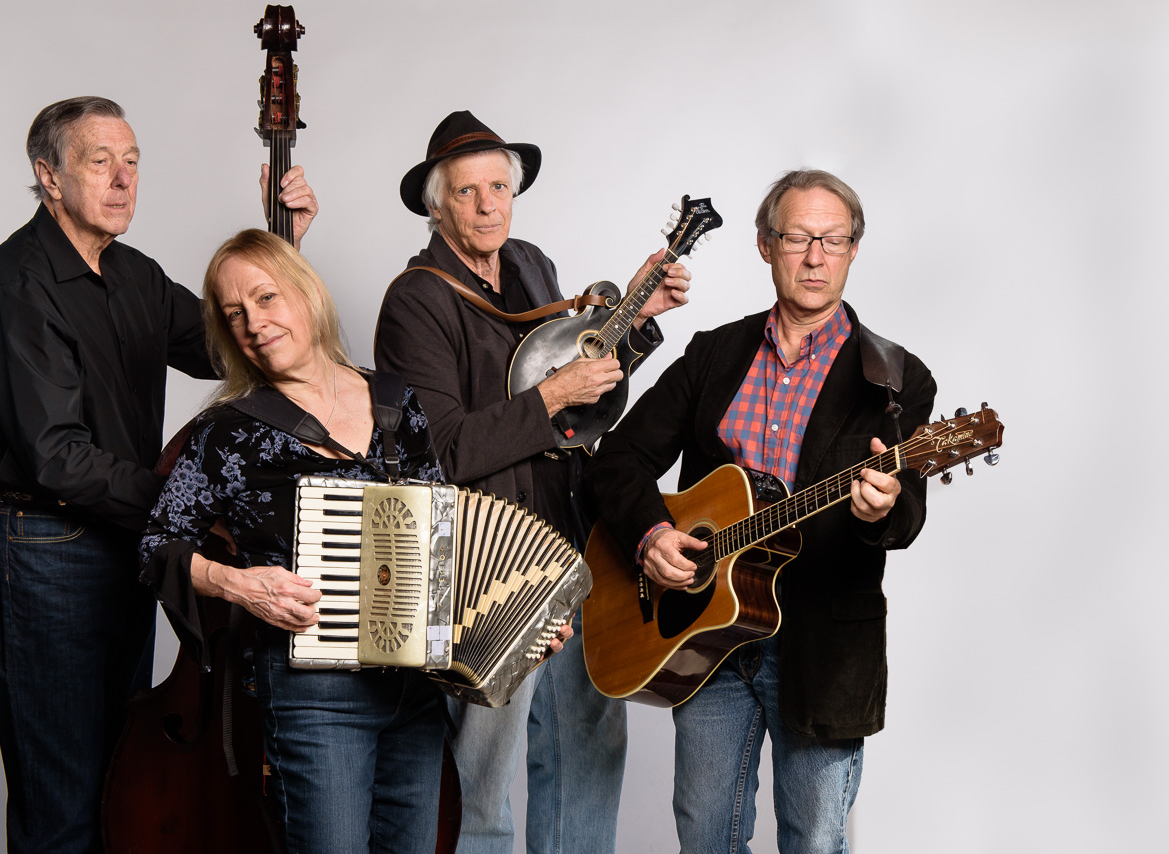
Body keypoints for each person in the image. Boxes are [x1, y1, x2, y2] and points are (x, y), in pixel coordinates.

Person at [0, 96, 317, 854]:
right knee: (63, 804)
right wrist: (191, 508)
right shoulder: (15, 283)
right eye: (100, 162)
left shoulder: (135, 275)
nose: (123, 180)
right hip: (49, 549)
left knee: (116, 786)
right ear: (49, 177)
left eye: (132, 162)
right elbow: (57, 456)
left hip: (125, 544)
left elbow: (238, 349)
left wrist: (281, 255)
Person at [585, 169, 938, 854]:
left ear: (854, 250)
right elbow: (617, 460)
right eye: (798, 238)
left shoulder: (897, 378)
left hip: (823, 645)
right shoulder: (714, 354)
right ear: (764, 245)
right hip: (705, 639)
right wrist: (652, 535)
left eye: (833, 240)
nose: (815, 257)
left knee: (814, 841)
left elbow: (908, 516)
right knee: (705, 839)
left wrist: (883, 507)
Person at [374, 110, 691, 854]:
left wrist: (633, 321)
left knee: (586, 750)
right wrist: (551, 396)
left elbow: (581, 401)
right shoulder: (416, 300)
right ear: (437, 206)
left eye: (499, 188)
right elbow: (441, 451)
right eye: (467, 192)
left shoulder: (531, 266)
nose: (488, 205)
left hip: (573, 542)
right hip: (490, 564)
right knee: (483, 774)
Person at [140, 228, 457, 853]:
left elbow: (446, 539)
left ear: (307, 294)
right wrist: (237, 584)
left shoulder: (398, 401)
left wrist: (515, 625)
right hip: (316, 697)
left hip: (416, 689)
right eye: (234, 314)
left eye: (266, 298)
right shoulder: (227, 432)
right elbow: (157, 546)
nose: (253, 324)